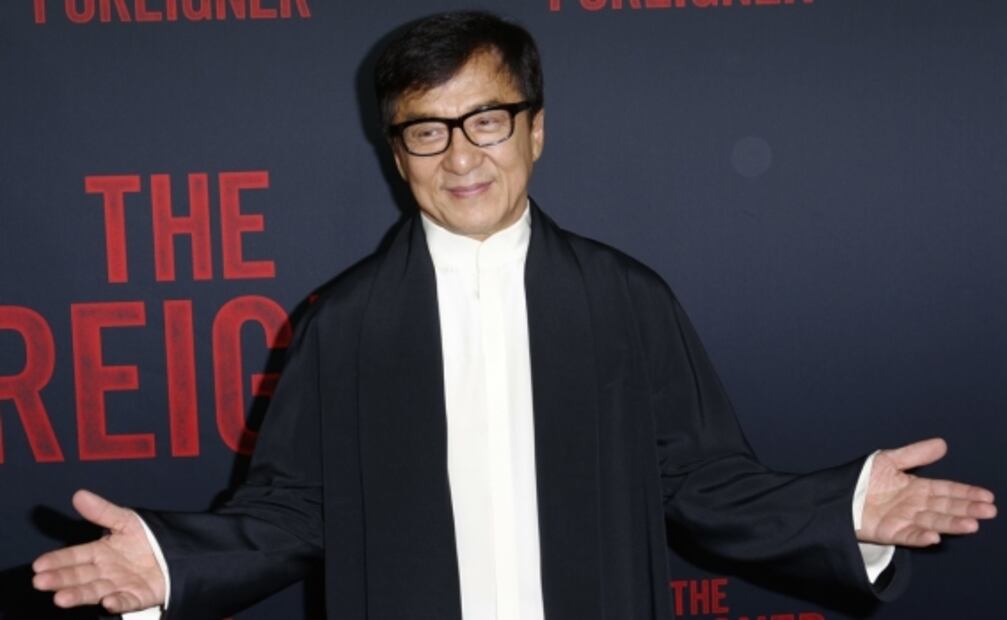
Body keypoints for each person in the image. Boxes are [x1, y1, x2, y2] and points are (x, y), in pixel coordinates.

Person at [32, 11, 996, 620]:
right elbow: (295, 510)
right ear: (396, 154)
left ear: (535, 129)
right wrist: (173, 563)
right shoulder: (345, 323)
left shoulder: (624, 299)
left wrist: (840, 511)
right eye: (427, 130)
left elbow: (701, 482)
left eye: (487, 120)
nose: (461, 157)